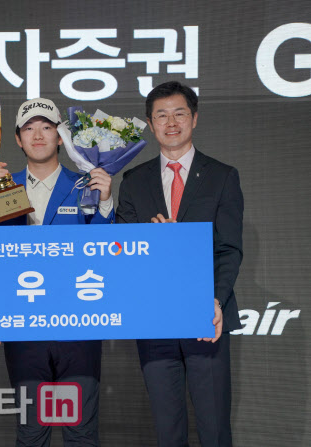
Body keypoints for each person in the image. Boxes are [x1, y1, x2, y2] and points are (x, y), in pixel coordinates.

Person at [0, 97, 113, 446]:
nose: (38, 135)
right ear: (17, 139)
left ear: (61, 137)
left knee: (81, 432)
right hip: (23, 326)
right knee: (31, 432)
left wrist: (106, 202)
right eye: (29, 128)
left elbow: (104, 252)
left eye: (47, 127)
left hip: (78, 324)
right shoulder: (0, 185)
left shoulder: (86, 185)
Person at [116, 81, 244, 446]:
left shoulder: (222, 176)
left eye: (179, 114)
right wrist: (154, 243)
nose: (171, 123)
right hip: (155, 318)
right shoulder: (134, 181)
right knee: (167, 430)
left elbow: (229, 249)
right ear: (150, 123)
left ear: (194, 118)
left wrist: (213, 301)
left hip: (207, 318)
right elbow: (122, 251)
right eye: (161, 115)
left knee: (214, 429)